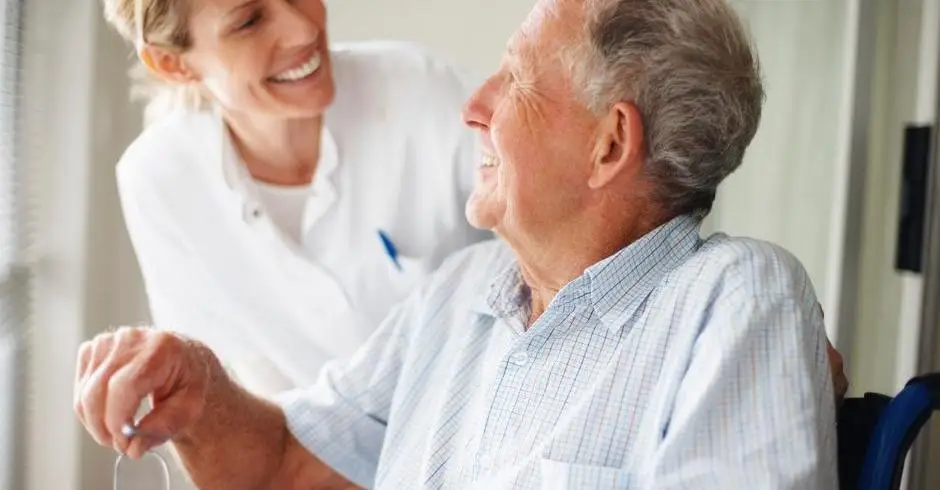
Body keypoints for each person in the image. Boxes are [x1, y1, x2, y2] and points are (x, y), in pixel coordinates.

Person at [76, 0, 843, 488]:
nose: (473, 105)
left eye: (516, 80)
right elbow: (284, 463)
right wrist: (200, 393)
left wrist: (780, 345)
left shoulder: (735, 299)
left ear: (609, 144)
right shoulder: (461, 291)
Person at [103, 0, 491, 396]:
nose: (305, 30)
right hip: (314, 434)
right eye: (249, 21)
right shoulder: (160, 180)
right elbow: (233, 384)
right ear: (172, 64)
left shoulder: (419, 88)